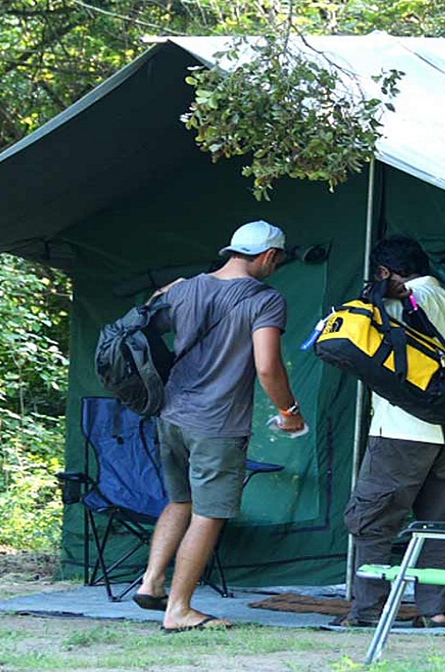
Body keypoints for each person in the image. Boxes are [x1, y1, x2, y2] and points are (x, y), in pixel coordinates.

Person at [133, 220, 306, 632]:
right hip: (217, 422)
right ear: (269, 256)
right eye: (277, 261)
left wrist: (166, 292)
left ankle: (151, 583)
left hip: (172, 414)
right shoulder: (265, 299)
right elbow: (267, 366)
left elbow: (144, 324)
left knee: (180, 501)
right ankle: (179, 610)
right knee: (209, 514)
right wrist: (289, 411)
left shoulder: (185, 288)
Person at [335, 235, 445, 628]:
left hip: (401, 429)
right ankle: (435, 610)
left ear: (384, 272)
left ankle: (368, 611)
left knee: (374, 518)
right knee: (440, 520)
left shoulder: (388, 306)